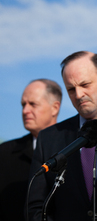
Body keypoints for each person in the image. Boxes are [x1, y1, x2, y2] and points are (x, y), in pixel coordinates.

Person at [27, 51, 97, 221]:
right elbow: (36, 208)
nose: (79, 94)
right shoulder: (49, 139)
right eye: (71, 89)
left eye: (85, 84)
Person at [0, 79, 62, 221]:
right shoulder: (4, 153)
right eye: (23, 104)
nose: (25, 110)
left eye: (33, 104)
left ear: (55, 108)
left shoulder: (74, 149)